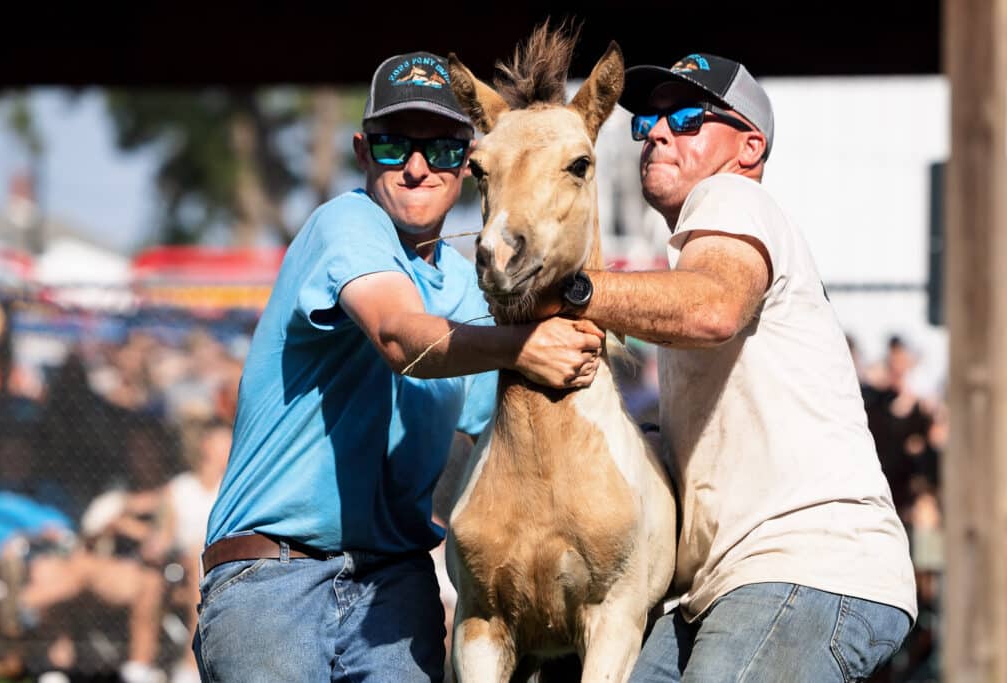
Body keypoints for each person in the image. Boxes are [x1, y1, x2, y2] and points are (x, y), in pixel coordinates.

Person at [194, 51, 604, 682]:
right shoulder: (345, 223)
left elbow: (496, 439)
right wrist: (521, 346)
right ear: (363, 152)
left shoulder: (470, 297)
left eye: (440, 148)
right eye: (393, 147)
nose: (417, 168)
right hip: (272, 580)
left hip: (396, 583)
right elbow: (398, 335)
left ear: (467, 163)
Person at [548, 53, 917, 681]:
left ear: (749, 147)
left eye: (688, 116)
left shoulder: (733, 198)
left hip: (804, 567)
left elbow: (713, 308)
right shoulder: (692, 261)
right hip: (723, 587)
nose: (659, 131)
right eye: (648, 122)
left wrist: (570, 289)